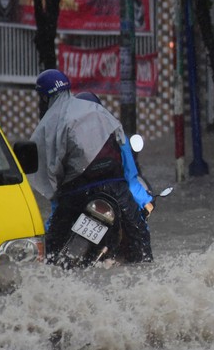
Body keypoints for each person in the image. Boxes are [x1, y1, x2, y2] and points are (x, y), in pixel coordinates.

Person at [29, 70, 152, 263]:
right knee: (140, 241)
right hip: (115, 188)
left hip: (77, 194)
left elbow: (50, 173)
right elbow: (124, 152)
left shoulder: (49, 124)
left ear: (44, 97)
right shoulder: (97, 111)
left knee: (52, 251)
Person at [73, 92, 154, 217]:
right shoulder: (116, 133)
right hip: (115, 193)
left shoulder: (68, 139)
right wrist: (145, 202)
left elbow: (58, 183)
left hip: (79, 197)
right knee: (139, 231)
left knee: (56, 231)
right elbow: (130, 177)